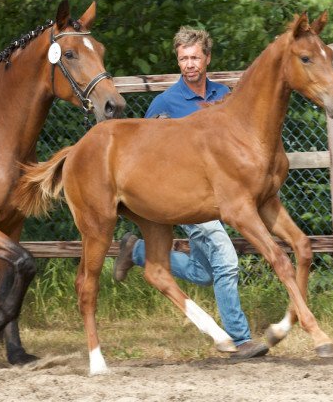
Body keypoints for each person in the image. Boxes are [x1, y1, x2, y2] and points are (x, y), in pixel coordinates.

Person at [113, 26, 268, 359]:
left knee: (204, 272)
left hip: (227, 199)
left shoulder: (226, 96)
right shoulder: (164, 103)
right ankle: (240, 339)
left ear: (207, 58)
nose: (189, 64)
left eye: (195, 57)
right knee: (226, 262)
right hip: (189, 199)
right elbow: (146, 158)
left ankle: (136, 251)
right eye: (183, 58)